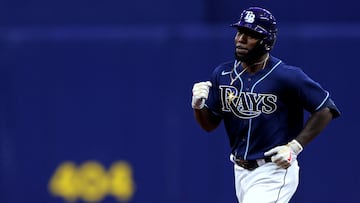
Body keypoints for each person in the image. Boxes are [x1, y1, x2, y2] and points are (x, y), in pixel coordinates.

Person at [191, 6, 340, 203]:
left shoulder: (286, 76)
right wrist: (198, 106)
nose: (240, 39)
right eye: (240, 32)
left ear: (267, 42)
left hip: (274, 170)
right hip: (240, 171)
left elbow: (326, 108)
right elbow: (209, 125)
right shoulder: (223, 74)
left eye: (250, 35)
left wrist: (294, 147)